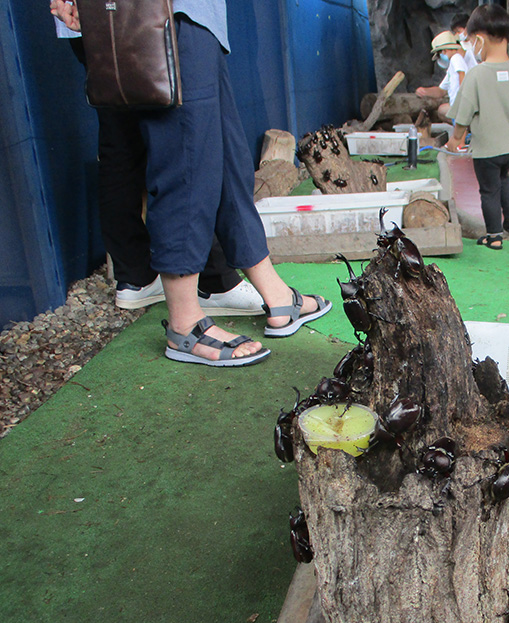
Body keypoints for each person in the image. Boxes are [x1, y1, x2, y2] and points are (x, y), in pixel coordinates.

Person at [51, 0, 331, 366]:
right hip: (155, 14)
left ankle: (274, 292)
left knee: (226, 151)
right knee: (185, 156)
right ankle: (185, 324)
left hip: (195, 15)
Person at [52, 7, 267, 316]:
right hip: (158, 15)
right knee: (185, 142)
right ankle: (209, 284)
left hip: (98, 16)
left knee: (120, 140)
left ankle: (135, 276)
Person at [445, 3, 509, 251]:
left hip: (487, 150)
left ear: (479, 39)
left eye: (470, 41)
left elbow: (463, 115)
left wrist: (456, 139)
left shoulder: (476, 75)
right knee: (503, 178)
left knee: (488, 190)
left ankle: (494, 235)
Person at [415, 31, 468, 121]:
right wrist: (425, 91)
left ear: (444, 51)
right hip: (457, 106)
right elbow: (441, 90)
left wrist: (462, 98)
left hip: (461, 106)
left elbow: (461, 74)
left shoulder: (456, 58)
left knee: (460, 127)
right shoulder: (452, 66)